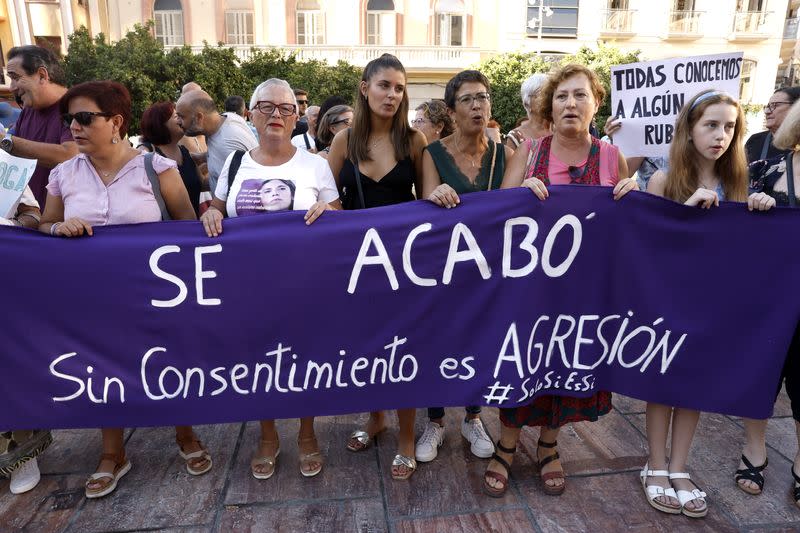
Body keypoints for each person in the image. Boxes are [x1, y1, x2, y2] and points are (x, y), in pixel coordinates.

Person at [37, 81, 207, 499]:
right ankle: (112, 453)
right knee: (102, 367)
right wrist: (58, 227)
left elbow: (186, 230)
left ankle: (185, 433)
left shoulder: (157, 170)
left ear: (115, 122)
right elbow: (44, 223)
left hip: (156, 294)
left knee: (168, 360)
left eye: (83, 118)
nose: (73, 128)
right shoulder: (63, 175)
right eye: (68, 120)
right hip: (92, 297)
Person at [484, 64, 636, 499]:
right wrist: (520, 194)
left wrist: (630, 195)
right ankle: (506, 447)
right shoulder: (529, 152)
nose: (571, 104)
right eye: (562, 96)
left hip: (585, 292)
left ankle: (549, 447)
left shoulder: (611, 156)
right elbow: (495, 219)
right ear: (549, 106)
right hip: (530, 292)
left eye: (580, 95)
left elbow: (624, 228)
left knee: (567, 368)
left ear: (596, 103)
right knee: (522, 365)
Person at [200, 78, 340, 479]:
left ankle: (308, 434)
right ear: (251, 114)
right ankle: (267, 435)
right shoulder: (235, 163)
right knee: (257, 360)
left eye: (285, 108)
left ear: (296, 117)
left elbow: (337, 213)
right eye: (267, 107)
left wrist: (329, 213)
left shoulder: (315, 164)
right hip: (248, 287)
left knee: (305, 360)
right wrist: (211, 211)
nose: (276, 115)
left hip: (304, 286)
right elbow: (220, 208)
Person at [644, 89, 774, 518]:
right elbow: (651, 249)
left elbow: (741, 250)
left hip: (712, 302)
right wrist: (686, 210)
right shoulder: (664, 180)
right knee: (663, 385)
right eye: (711, 125)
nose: (721, 135)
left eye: (730, 126)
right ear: (690, 129)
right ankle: (656, 467)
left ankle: (680, 469)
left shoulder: (738, 183)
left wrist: (758, 208)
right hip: (670, 298)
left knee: (694, 385)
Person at [326, 53, 427, 480]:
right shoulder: (343, 141)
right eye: (384, 85)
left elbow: (429, 203)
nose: (392, 94)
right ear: (365, 88)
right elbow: (327, 199)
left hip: (404, 266)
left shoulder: (414, 140)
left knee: (403, 350)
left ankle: (407, 435)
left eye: (399, 88)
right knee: (368, 346)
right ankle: (375, 417)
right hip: (358, 266)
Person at [418, 70, 512, 464]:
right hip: (443, 270)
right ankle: (435, 420)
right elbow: (425, 205)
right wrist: (435, 192)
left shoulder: (504, 154)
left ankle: (473, 417)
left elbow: (513, 207)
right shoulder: (433, 153)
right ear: (453, 110)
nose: (478, 105)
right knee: (438, 339)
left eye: (483, 97)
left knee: (480, 340)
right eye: (468, 99)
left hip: (488, 272)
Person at [740, 97, 800, 503]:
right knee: (761, 374)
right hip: (769, 297)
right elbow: (737, 230)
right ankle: (754, 450)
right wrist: (753, 206)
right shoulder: (765, 169)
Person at [0, 185, 48, 495]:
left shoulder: (4, 164)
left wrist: (12, 226)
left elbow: (34, 214)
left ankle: (19, 457)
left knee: (7, 366)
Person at [3, 45, 78, 207]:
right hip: (31, 222)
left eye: (15, 77)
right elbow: (10, 154)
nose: (12, 87)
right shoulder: (27, 111)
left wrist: (5, 141)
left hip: (67, 226)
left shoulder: (77, 107)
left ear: (42, 75)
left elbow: (71, 155)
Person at [175, 89, 257, 194]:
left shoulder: (226, 145)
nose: (178, 121)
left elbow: (236, 194)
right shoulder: (228, 118)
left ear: (199, 118)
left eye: (181, 117)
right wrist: (201, 157)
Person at [139, 101, 203, 215]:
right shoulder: (146, 152)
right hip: (167, 230)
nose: (182, 120)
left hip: (192, 226)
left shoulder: (184, 151)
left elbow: (201, 183)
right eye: (177, 116)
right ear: (160, 123)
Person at [603, 115, 668, 191]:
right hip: (646, 198)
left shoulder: (682, 129)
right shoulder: (644, 131)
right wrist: (616, 140)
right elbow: (625, 173)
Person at [745, 86, 800, 163]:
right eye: (768, 106)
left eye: (775, 105)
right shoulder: (755, 140)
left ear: (795, 108)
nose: (767, 111)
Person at [505, 73, 549, 150]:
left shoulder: (560, 130)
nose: (547, 98)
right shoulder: (516, 137)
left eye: (549, 94)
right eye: (541, 94)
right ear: (527, 104)